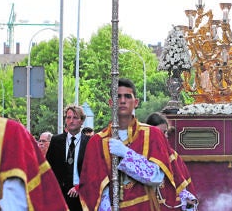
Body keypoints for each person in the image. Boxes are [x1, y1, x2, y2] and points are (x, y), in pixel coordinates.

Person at [79, 78, 194, 210]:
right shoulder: (97, 142)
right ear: (111, 103)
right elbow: (94, 191)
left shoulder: (153, 134)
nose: (122, 101)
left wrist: (126, 154)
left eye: (127, 96)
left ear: (136, 102)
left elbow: (156, 177)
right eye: (118, 96)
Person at [0, 109, 68, 210]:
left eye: (43, 141)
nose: (40, 144)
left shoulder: (7, 134)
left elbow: (14, 201)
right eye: (39, 141)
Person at [145, 112, 199, 210]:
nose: (164, 136)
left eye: (165, 132)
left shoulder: (173, 156)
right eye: (159, 133)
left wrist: (188, 200)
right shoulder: (140, 155)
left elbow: (184, 187)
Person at [46, 105, 91, 211]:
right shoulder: (56, 141)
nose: (71, 121)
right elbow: (48, 168)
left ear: (82, 121)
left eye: (75, 118)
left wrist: (80, 186)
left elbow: (93, 171)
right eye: (68, 117)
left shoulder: (89, 142)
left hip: (81, 194)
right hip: (60, 195)